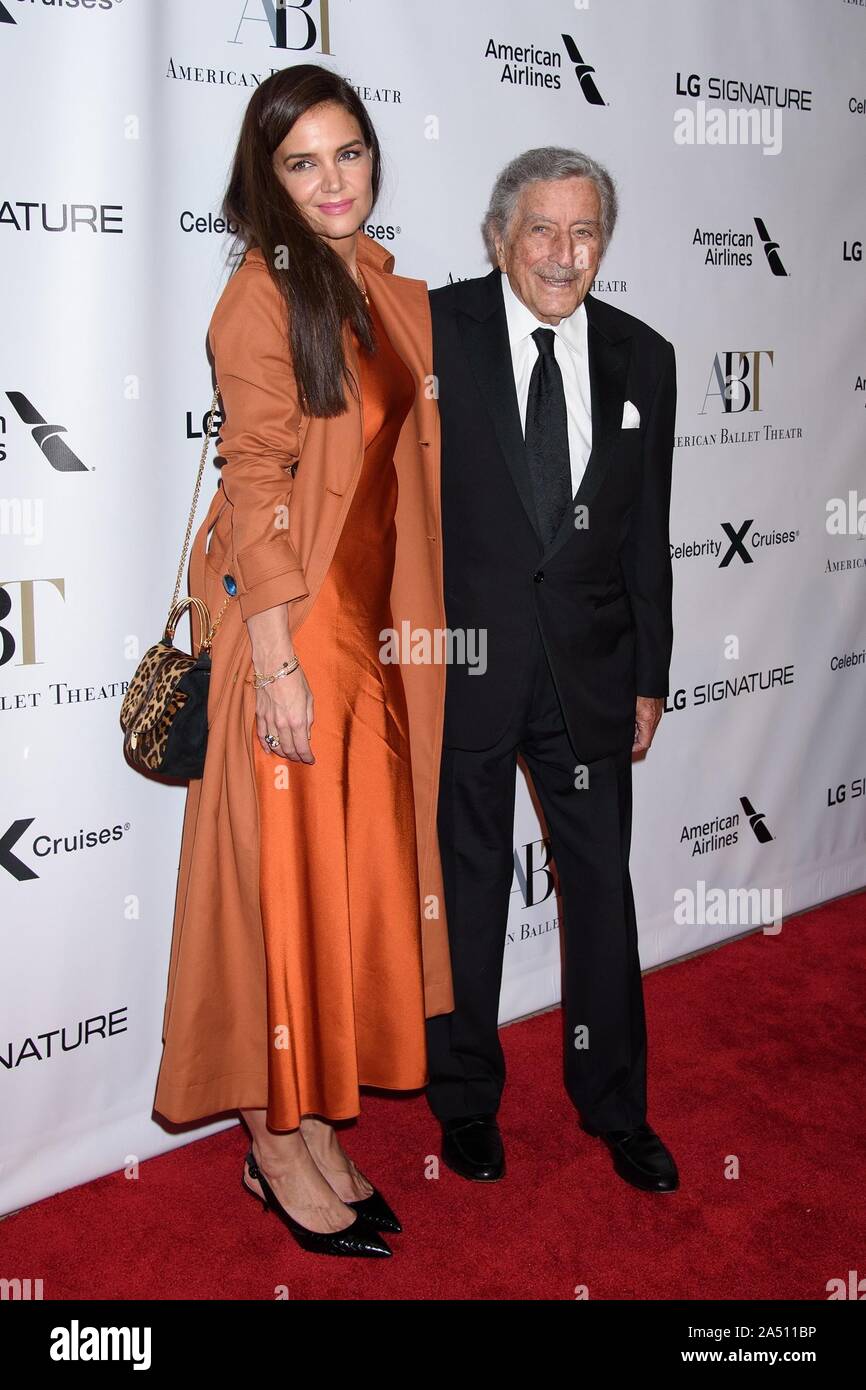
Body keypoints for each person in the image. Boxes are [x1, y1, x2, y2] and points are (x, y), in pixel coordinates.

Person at [152, 64, 453, 1257]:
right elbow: (253, 489)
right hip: (291, 639)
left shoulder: (373, 286)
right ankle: (270, 1144)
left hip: (369, 643)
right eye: (301, 162)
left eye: (349, 154)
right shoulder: (259, 300)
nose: (333, 182)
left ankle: (315, 1122)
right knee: (277, 892)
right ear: (264, 179)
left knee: (333, 889)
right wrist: (276, 666)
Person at [426, 146, 679, 1193]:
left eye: (582, 233)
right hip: (464, 665)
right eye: (541, 230)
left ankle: (614, 1103)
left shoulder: (642, 355)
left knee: (599, 892)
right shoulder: (435, 328)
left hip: (588, 672)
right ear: (498, 237)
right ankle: (465, 1099)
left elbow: (646, 533)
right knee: (467, 884)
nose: (561, 255)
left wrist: (649, 675)